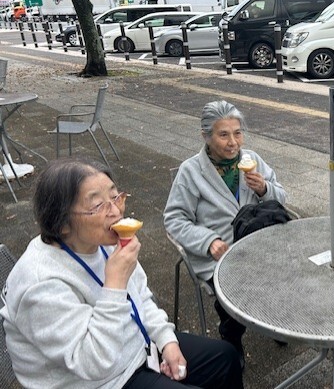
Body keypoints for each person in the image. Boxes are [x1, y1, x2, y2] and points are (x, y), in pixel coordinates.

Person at [0, 158, 243, 389]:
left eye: (116, 196)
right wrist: (115, 283)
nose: (116, 212)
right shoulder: (40, 283)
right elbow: (93, 363)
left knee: (225, 357)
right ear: (61, 223)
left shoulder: (102, 241)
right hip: (99, 381)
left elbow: (140, 295)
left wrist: (166, 340)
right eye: (98, 205)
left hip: (136, 346)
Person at [163, 100, 287, 365]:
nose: (233, 142)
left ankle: (276, 320)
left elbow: (281, 197)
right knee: (235, 290)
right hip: (221, 253)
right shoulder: (191, 172)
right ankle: (231, 335)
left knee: (285, 277)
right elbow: (174, 219)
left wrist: (264, 188)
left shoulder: (252, 160)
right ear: (206, 136)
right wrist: (209, 242)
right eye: (223, 134)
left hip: (258, 243)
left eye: (237, 133)